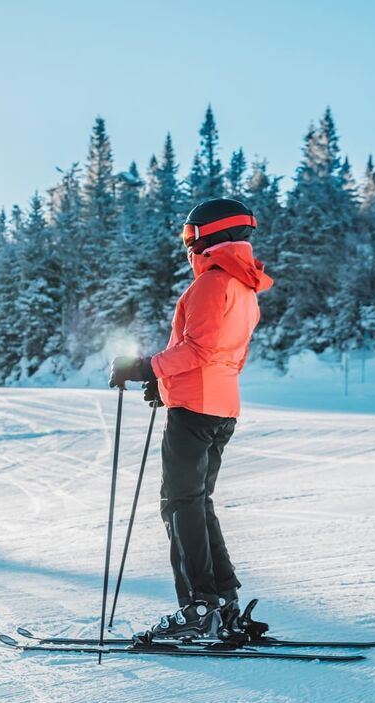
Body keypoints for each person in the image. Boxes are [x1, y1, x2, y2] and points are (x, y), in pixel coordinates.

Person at [108, 197, 274, 643]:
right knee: (198, 503)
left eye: (191, 235)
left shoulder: (211, 284)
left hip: (195, 409)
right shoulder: (244, 288)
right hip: (221, 407)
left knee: (180, 504)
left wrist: (146, 368)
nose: (188, 244)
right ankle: (224, 603)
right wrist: (164, 383)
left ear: (214, 233)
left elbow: (198, 350)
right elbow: (224, 357)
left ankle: (198, 607)